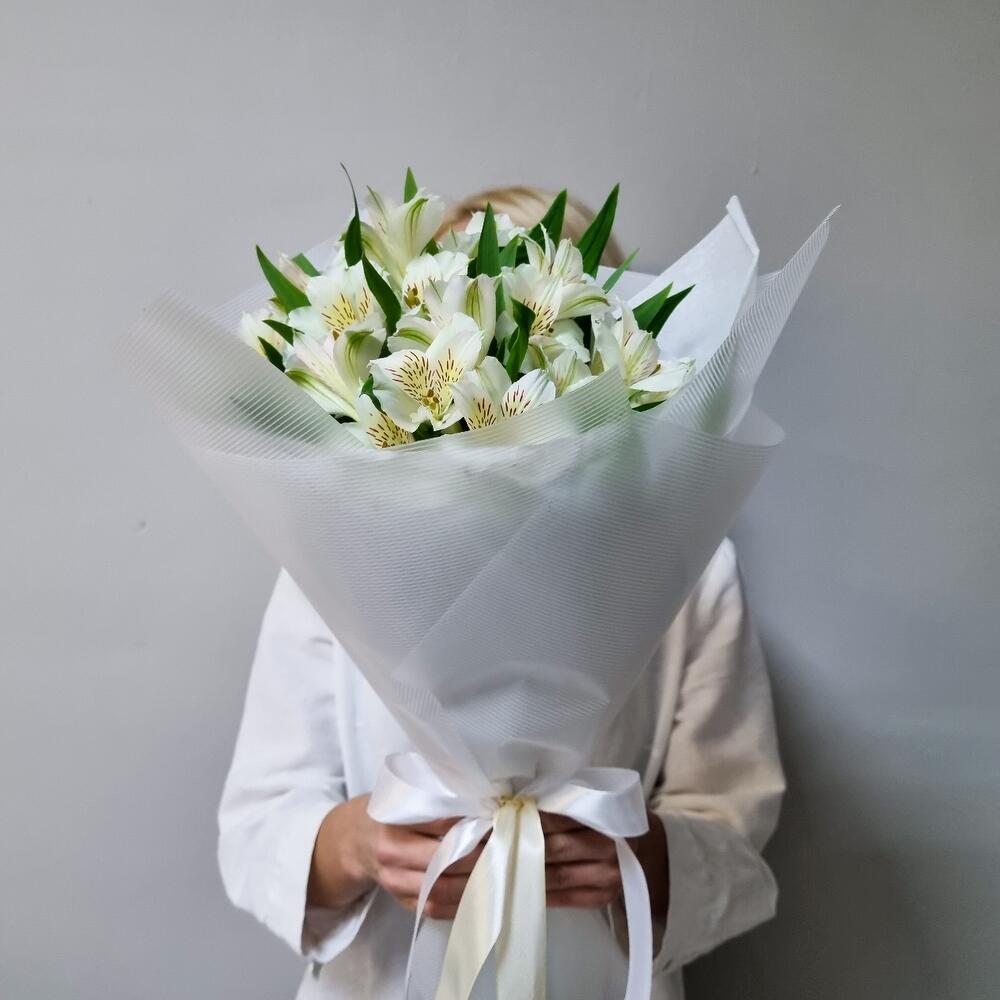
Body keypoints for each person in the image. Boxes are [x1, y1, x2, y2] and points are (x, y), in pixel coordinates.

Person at [217, 186, 786, 1000]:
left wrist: (643, 855)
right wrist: (362, 844)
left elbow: (736, 831)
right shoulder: (334, 559)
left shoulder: (696, 570)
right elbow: (255, 825)